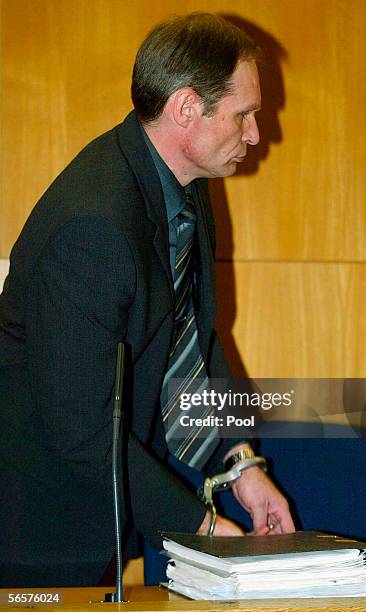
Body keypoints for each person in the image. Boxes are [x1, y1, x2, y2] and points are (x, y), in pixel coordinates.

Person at [0, 13, 294, 587]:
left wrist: (242, 465)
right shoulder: (92, 227)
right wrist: (204, 528)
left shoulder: (182, 186)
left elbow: (194, 340)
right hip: (33, 527)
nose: (257, 133)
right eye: (244, 114)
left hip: (96, 509)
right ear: (187, 109)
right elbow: (82, 430)